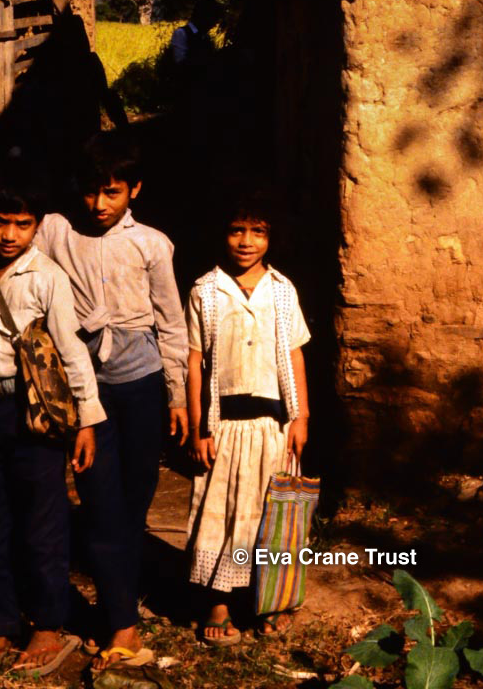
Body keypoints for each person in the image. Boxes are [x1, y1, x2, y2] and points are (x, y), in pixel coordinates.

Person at [0, 133, 189, 671]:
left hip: (141, 383)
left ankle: (122, 596)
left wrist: (177, 395)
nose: (99, 204)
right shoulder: (56, 229)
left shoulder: (153, 244)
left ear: (134, 189)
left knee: (134, 503)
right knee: (101, 503)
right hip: (84, 390)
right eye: (90, 191)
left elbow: (171, 322)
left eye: (112, 192)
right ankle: (123, 623)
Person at [0, 171, 104, 674]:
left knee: (43, 524)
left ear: (38, 225)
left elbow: (71, 349)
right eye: (0, 222)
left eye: (22, 224)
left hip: (32, 413)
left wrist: (86, 421)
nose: (9, 234)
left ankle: (48, 624)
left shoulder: (47, 277)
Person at [186, 188, 310, 647]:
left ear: (272, 236)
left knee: (271, 512)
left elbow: (294, 355)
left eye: (258, 231)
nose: (246, 241)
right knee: (220, 511)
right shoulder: (205, 290)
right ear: (222, 233)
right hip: (224, 425)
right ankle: (218, 603)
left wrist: (301, 417)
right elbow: (194, 360)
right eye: (237, 230)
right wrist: (200, 427)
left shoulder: (282, 290)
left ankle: (272, 600)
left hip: (274, 424)